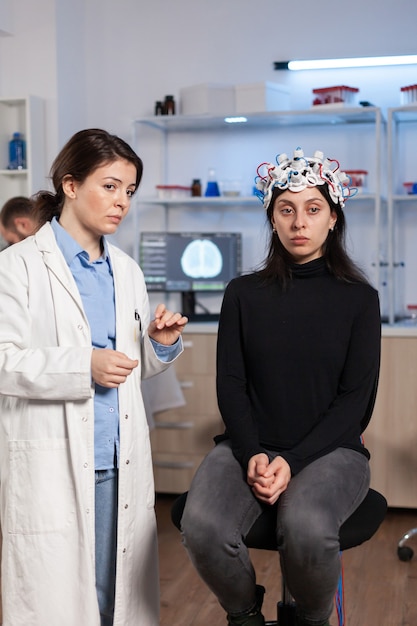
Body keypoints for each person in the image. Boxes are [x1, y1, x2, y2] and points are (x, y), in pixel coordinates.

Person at [180, 147, 381, 626]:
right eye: (286, 210)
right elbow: (231, 383)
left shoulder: (359, 300)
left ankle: (310, 620)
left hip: (332, 450)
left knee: (307, 527)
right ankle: (245, 614)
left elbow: (355, 403)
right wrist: (252, 452)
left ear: (333, 218)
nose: (299, 222)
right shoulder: (243, 294)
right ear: (271, 218)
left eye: (313, 209)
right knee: (202, 525)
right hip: (249, 446)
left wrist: (291, 461)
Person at [0, 128, 188, 626]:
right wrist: (83, 363)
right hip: (53, 458)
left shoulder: (126, 271)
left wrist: (159, 345)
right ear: (69, 184)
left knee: (114, 597)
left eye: (129, 190)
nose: (121, 201)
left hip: (118, 456)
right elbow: (4, 360)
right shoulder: (17, 267)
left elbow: (128, 368)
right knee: (60, 600)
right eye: (109, 186)